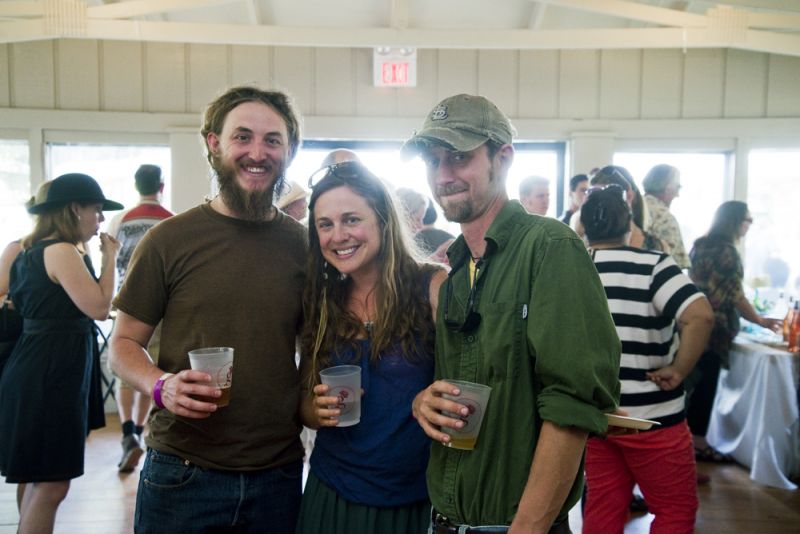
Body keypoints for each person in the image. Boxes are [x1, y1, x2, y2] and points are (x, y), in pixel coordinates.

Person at [405, 94, 621, 533]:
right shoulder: (458, 266)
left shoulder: (550, 247)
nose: (443, 175)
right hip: (446, 520)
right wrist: (421, 402)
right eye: (433, 160)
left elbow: (573, 403)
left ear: (502, 158)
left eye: (460, 157)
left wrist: (527, 527)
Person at [108, 86, 307, 533]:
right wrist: (161, 387)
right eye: (243, 137)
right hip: (182, 470)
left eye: (272, 140)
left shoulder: (304, 244)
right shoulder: (168, 241)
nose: (258, 152)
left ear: (289, 150)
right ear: (213, 144)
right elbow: (122, 346)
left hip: (278, 473)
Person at [296, 160, 447, 534]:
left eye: (351, 219)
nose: (338, 235)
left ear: (383, 219)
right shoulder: (322, 299)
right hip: (333, 496)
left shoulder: (432, 286)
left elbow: (473, 383)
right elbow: (303, 405)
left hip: (415, 499)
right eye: (325, 225)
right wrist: (315, 409)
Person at [579, 185, 714, 534]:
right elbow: (700, 316)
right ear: (630, 226)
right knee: (674, 510)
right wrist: (679, 369)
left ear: (584, 227)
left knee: (603, 505)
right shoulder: (653, 266)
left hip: (597, 415)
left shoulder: (575, 267)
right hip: (653, 417)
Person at [0, 173, 122, 534]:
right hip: (50, 371)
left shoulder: (30, 249)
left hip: (40, 365)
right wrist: (110, 258)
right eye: (96, 211)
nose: (99, 220)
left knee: (38, 477)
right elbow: (99, 307)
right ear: (74, 209)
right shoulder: (61, 250)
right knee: (53, 483)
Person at [686, 201, 781, 462]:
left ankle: (689, 443)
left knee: (692, 386)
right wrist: (760, 320)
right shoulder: (727, 252)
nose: (749, 226)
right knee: (706, 386)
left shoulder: (700, 245)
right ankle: (699, 444)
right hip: (715, 328)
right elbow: (735, 296)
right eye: (748, 220)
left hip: (691, 321)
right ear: (736, 221)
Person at [105, 164, 174, 473]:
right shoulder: (171, 222)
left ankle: (127, 430)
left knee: (125, 365)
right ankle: (141, 428)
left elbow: (108, 261)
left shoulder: (119, 220)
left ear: (136, 186)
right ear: (161, 186)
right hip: (161, 308)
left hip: (124, 304)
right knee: (148, 366)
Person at [643, 164, 690, 269]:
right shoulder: (665, 218)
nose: (677, 194)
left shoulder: (630, 208)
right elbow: (676, 264)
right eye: (678, 187)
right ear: (667, 188)